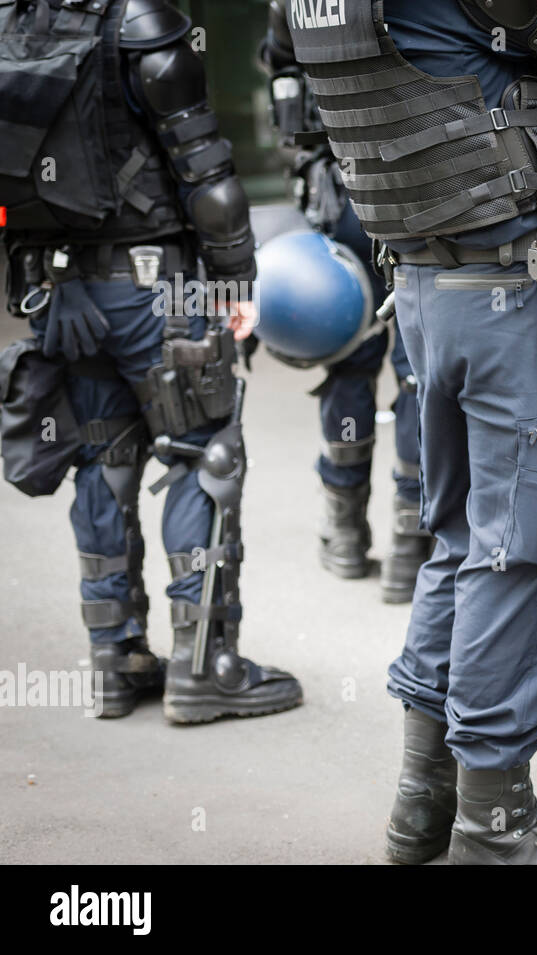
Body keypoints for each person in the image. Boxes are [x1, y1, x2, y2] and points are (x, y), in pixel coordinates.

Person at [277, 0, 537, 864]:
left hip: (425, 290)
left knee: (457, 540)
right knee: (521, 551)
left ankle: (424, 805)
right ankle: (496, 823)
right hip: (511, 293)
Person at [0, 0, 302, 723]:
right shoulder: (140, 24)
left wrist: (41, 274)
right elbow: (209, 175)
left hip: (59, 292)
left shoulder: (15, 22)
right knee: (206, 456)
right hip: (151, 289)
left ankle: (116, 658)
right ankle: (206, 667)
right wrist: (236, 280)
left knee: (104, 461)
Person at [260, 1, 431, 602]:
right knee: (417, 373)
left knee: (348, 358)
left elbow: (282, 70)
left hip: (342, 190)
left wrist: (306, 158)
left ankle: (344, 531)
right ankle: (411, 541)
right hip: (418, 196)